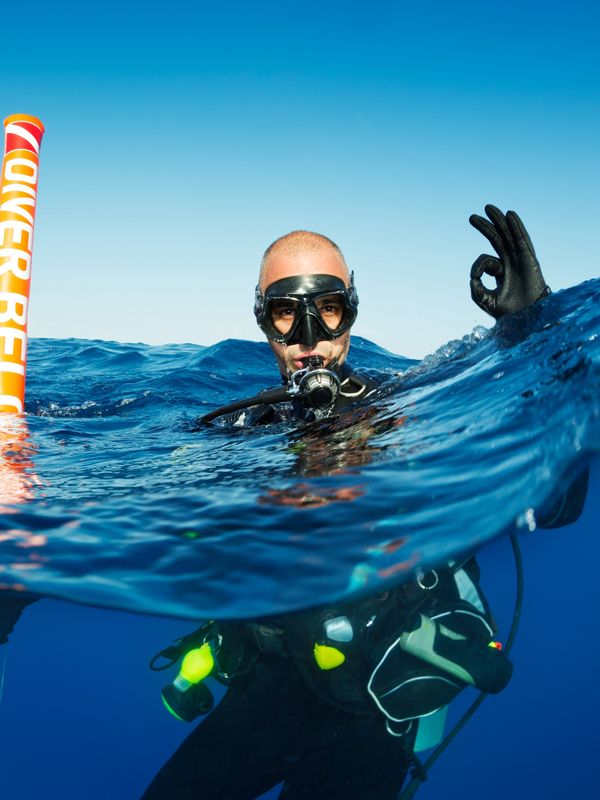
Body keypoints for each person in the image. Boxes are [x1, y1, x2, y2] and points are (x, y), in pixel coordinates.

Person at [143, 205, 584, 800]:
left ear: (351, 310)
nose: (308, 340)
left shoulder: (409, 415)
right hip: (272, 689)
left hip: (379, 709)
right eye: (284, 312)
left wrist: (540, 338)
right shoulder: (240, 431)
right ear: (262, 321)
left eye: (327, 308)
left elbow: (557, 504)